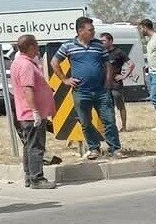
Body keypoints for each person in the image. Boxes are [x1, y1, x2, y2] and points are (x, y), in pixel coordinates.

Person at [51, 16, 124, 160]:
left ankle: (115, 149)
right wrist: (65, 79)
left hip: (101, 91)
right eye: (90, 30)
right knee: (85, 121)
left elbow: (108, 64)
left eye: (93, 30)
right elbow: (54, 62)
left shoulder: (99, 46)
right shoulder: (68, 46)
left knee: (109, 120)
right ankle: (94, 148)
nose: (93, 32)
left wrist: (108, 82)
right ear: (80, 31)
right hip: (81, 91)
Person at [9, 35, 57, 189]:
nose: (37, 49)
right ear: (30, 47)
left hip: (27, 112)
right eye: (36, 45)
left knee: (29, 145)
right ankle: (37, 178)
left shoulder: (20, 63)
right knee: (36, 146)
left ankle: (30, 177)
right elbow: (27, 88)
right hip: (31, 114)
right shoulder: (26, 65)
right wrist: (35, 111)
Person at [99, 32, 135, 132]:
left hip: (115, 84)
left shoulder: (118, 52)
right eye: (100, 41)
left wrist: (124, 76)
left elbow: (131, 64)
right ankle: (110, 127)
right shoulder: (102, 52)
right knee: (107, 107)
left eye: (104, 41)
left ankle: (124, 127)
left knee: (120, 105)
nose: (102, 43)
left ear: (110, 41)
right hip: (104, 84)